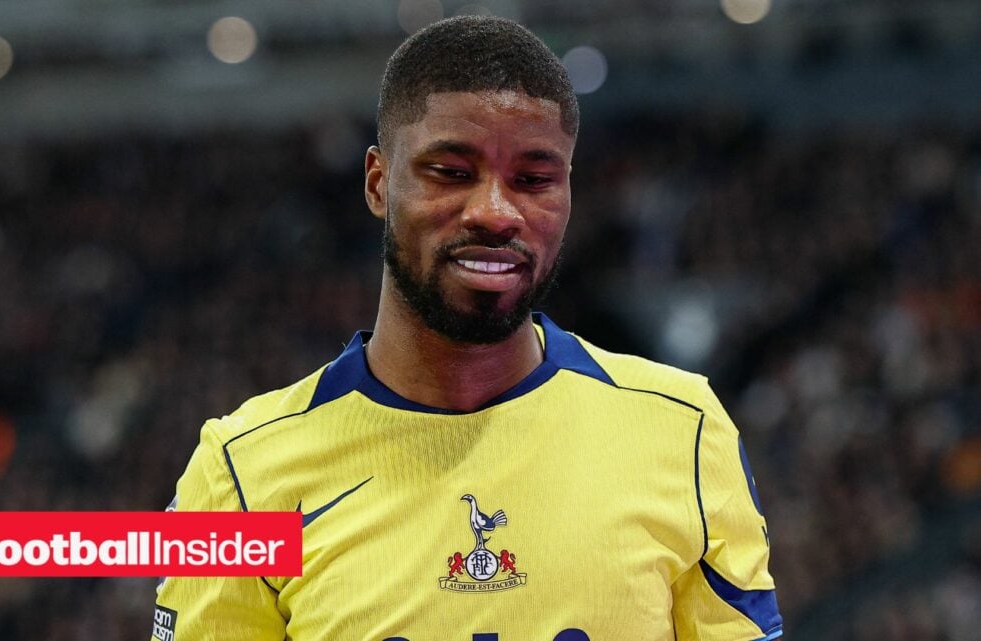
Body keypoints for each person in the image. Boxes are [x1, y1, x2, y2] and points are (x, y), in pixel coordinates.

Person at [152, 14, 782, 641]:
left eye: (533, 180)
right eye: (452, 172)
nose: (495, 212)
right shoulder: (240, 475)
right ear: (378, 182)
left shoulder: (685, 431)